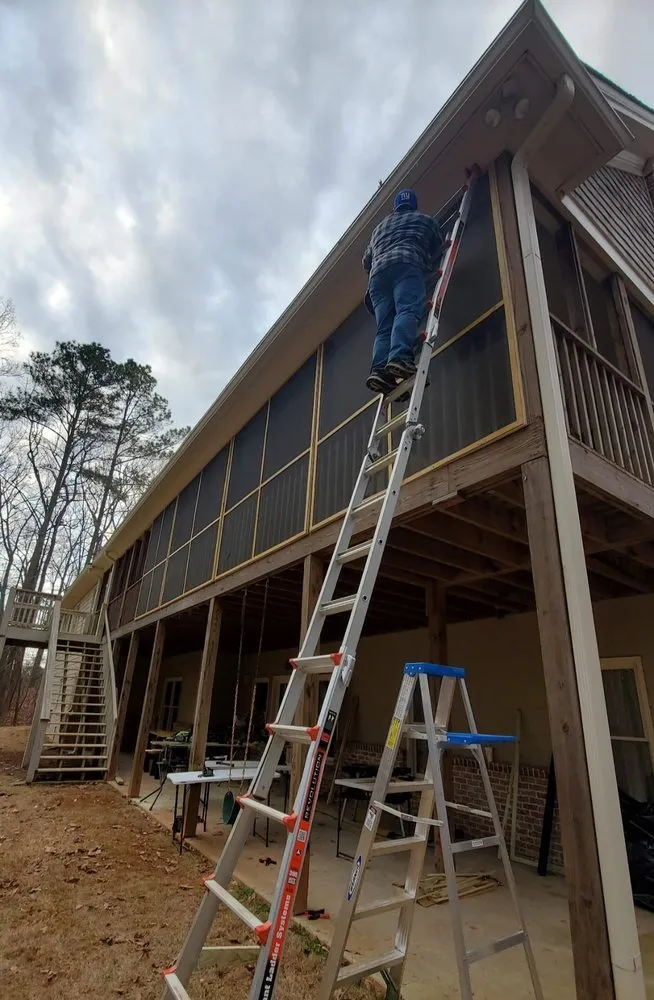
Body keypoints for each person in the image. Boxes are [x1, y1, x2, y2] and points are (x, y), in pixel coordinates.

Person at [362, 188, 444, 394]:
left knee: (384, 327)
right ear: (413, 205)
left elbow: (366, 261)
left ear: (395, 207)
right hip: (407, 264)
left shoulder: (379, 229)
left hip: (377, 279)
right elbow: (438, 244)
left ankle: (379, 370)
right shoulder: (425, 220)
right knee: (406, 310)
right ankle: (399, 357)